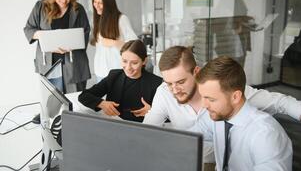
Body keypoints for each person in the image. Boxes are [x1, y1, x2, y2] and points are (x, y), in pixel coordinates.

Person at [143, 46, 301, 163]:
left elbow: (281, 102)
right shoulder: (215, 117)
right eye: (169, 83)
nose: (174, 89)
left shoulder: (264, 134)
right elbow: (184, 137)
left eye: (181, 82)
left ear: (196, 72)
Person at [190, 56, 292, 170]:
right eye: (203, 97)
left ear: (235, 97)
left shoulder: (266, 134)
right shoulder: (216, 115)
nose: (204, 105)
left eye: (211, 99)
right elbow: (186, 140)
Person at [24, 0, 90, 93]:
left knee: (74, 101)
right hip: (49, 64)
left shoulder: (78, 9)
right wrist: (39, 34)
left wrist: (72, 45)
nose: (64, 0)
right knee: (53, 103)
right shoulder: (40, 7)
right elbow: (28, 29)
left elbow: (85, 32)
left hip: (73, 63)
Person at [78, 40, 162, 122]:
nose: (128, 67)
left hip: (142, 130)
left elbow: (171, 115)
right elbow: (84, 96)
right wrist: (101, 103)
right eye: (124, 61)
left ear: (144, 61)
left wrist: (153, 112)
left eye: (134, 63)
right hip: (114, 126)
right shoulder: (114, 76)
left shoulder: (156, 83)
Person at [91, 0, 137, 82]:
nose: (96, 6)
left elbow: (134, 45)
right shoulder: (98, 19)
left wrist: (114, 43)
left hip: (117, 74)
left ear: (108, 4)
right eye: (95, 2)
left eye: (100, 3)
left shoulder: (121, 19)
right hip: (100, 74)